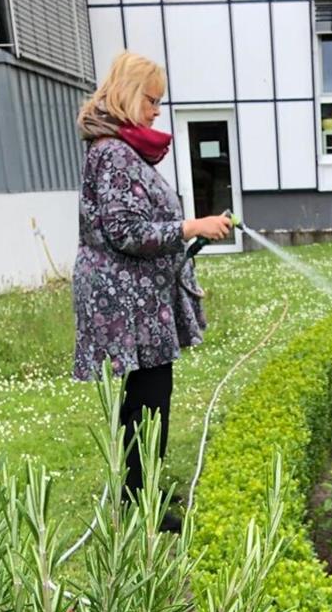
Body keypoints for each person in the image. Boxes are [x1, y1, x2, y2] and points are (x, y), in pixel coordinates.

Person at [73, 51, 231, 533]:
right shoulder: (113, 153)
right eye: (152, 100)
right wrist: (188, 226)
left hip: (136, 296)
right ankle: (141, 505)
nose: (157, 111)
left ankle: (142, 487)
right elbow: (123, 230)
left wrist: (187, 235)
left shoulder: (119, 150)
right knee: (148, 400)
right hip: (125, 302)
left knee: (146, 398)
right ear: (127, 93)